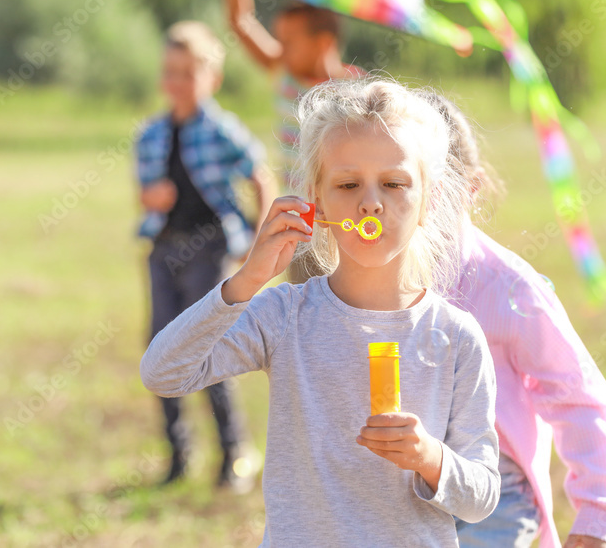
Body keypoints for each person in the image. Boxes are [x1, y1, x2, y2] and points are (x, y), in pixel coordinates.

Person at [142, 78, 501, 546]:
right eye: (348, 184)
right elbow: (163, 373)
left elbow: (483, 494)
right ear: (317, 201)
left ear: (428, 202)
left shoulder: (456, 336)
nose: (371, 201)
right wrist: (247, 280)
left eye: (394, 183)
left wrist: (431, 458)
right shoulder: (285, 315)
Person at [429, 94, 606, 548]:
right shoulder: (362, 281)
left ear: (471, 189)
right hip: (394, 490)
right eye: (393, 184)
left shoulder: (508, 288)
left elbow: (578, 396)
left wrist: (599, 516)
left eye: (432, 187)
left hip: (493, 499)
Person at [137, 21, 274, 492]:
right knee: (159, 345)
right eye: (170, 72)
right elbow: (145, 192)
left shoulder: (220, 130)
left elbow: (260, 174)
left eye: (188, 72)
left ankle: (234, 452)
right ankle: (178, 455)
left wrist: (259, 239)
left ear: (211, 78)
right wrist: (151, 197)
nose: (177, 82)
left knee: (210, 349)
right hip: (163, 249)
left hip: (210, 249)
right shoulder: (151, 133)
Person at [226, 0, 364, 283]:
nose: (280, 48)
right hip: (301, 228)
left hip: (344, 227)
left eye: (289, 41)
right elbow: (241, 21)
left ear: (323, 42)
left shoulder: (356, 93)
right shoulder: (286, 75)